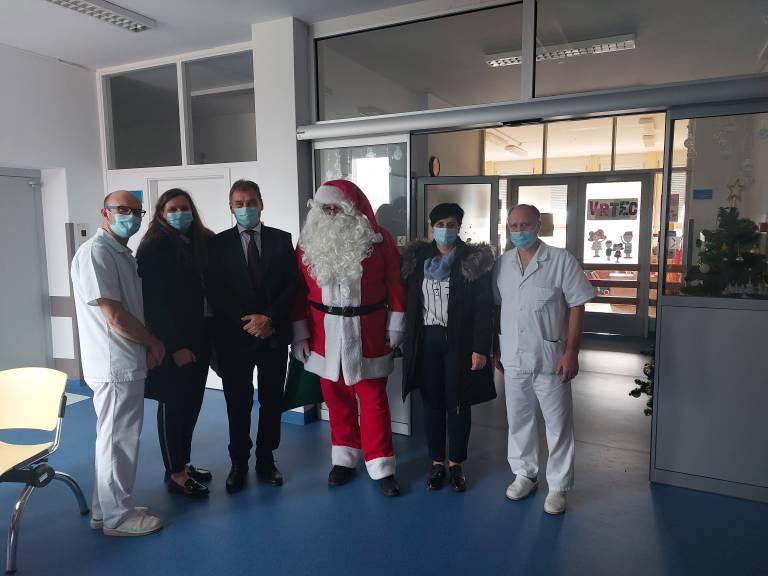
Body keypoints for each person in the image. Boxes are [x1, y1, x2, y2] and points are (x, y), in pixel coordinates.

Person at [292, 179, 405, 497]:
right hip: (324, 334)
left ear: (351, 208)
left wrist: (396, 325)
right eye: (324, 208)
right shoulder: (307, 241)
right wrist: (300, 334)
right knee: (336, 400)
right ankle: (344, 459)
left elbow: (395, 284)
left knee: (373, 401)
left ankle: (381, 466)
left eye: (336, 207)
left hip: (368, 332)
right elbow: (298, 292)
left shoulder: (379, 239)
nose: (330, 213)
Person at [71, 190, 165, 536]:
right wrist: (153, 342)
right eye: (122, 209)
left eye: (136, 212)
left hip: (124, 360)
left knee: (116, 438)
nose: (130, 217)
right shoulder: (96, 252)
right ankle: (117, 518)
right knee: (117, 441)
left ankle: (105, 509)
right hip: (114, 363)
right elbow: (115, 316)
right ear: (105, 213)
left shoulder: (120, 253)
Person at [494, 204, 595, 515]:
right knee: (518, 420)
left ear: (538, 225)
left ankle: (558, 487)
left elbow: (577, 305)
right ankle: (525, 474)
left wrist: (571, 352)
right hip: (513, 356)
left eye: (525, 225)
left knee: (558, 425)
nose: (519, 231)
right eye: (513, 226)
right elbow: (498, 307)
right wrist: (496, 347)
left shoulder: (561, 260)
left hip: (552, 358)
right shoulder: (502, 264)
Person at [206, 179, 297, 493]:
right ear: (231, 208)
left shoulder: (282, 240)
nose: (246, 208)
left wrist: (269, 318)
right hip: (234, 339)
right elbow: (215, 292)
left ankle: (266, 459)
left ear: (261, 203)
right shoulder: (217, 245)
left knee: (272, 401)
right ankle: (239, 463)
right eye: (239, 204)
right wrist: (248, 321)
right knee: (237, 403)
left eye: (251, 202)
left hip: (273, 336)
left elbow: (292, 286)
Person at [400, 203, 496, 492]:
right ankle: (436, 462)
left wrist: (480, 348)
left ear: (459, 227)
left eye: (451, 224)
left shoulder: (473, 260)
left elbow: (484, 308)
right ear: (432, 228)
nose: (445, 230)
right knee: (431, 403)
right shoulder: (417, 259)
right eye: (440, 224)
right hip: (426, 340)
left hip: (460, 342)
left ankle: (456, 463)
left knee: (458, 402)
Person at [136, 188, 214, 498]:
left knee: (192, 403)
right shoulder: (154, 246)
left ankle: (184, 462)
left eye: (184, 208)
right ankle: (175, 473)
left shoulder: (198, 241)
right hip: (173, 342)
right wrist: (175, 345)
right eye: (173, 209)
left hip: (200, 337)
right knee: (173, 404)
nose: (180, 213)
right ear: (161, 214)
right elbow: (153, 304)